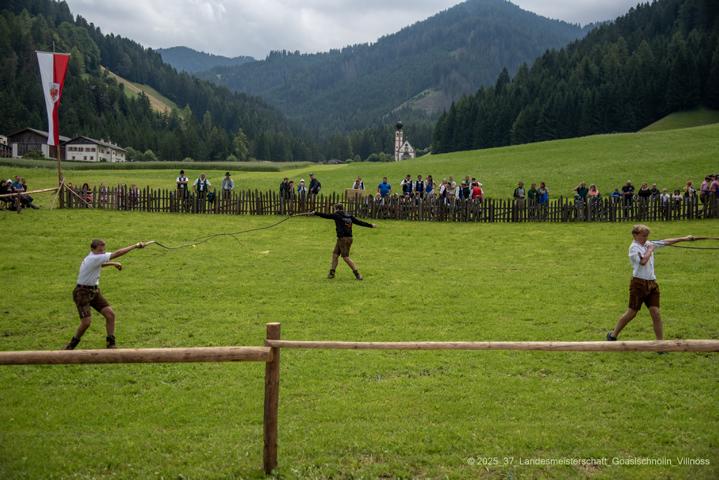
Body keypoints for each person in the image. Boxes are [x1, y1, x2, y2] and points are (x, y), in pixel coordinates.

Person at [607, 225, 696, 343]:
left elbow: (665, 241)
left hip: (652, 284)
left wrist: (685, 238)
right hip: (638, 284)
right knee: (632, 313)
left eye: (647, 236)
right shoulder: (634, 248)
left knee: (656, 313)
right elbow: (643, 261)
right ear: (635, 235)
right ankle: (613, 335)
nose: (646, 238)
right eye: (643, 236)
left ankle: (660, 343)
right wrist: (650, 249)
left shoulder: (648, 244)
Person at [64, 239, 148, 350]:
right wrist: (135, 246)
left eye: (103, 250)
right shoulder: (93, 258)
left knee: (110, 315)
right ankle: (71, 346)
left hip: (94, 291)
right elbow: (117, 253)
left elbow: (100, 264)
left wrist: (113, 263)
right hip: (82, 293)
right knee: (86, 323)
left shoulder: (94, 257)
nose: (102, 252)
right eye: (100, 250)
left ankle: (111, 344)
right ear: (92, 249)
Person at [311, 203, 376, 280]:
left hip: (343, 239)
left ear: (337, 209)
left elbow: (326, 215)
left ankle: (358, 274)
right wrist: (370, 225)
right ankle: (332, 273)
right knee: (335, 255)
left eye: (335, 209)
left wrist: (315, 213)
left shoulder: (337, 215)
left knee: (345, 257)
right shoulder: (349, 216)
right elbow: (359, 222)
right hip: (347, 238)